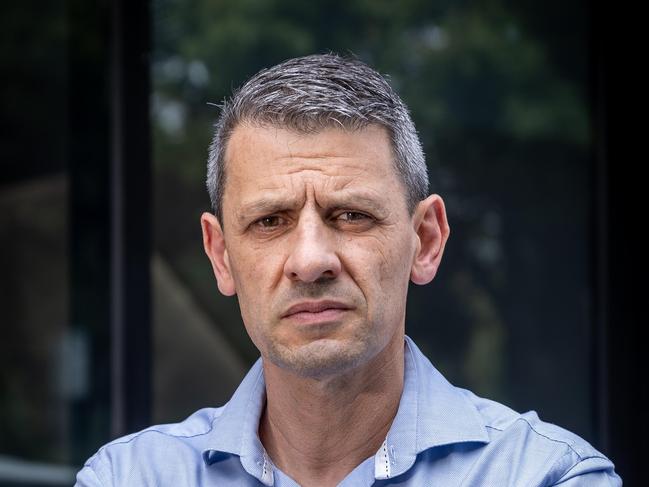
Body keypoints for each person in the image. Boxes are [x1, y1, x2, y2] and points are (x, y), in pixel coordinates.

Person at [76, 54, 621, 486]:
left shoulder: (544, 476)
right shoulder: (129, 477)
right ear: (221, 255)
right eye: (270, 221)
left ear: (425, 240)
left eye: (352, 215)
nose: (311, 260)